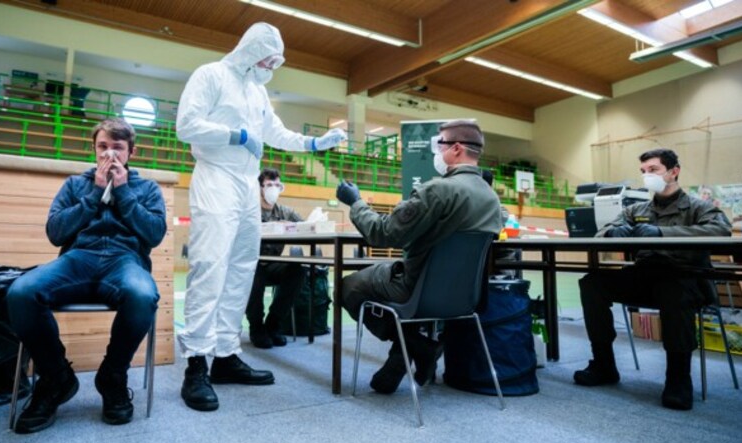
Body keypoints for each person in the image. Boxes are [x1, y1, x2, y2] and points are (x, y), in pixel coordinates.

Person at [175, 22, 347, 412]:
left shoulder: (257, 90)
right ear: (251, 51)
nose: (272, 66)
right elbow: (186, 124)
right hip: (216, 176)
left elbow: (276, 132)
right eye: (269, 58)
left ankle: (224, 354)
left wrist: (313, 143)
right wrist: (235, 136)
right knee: (210, 267)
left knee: (241, 269)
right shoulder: (211, 75)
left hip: (244, 182)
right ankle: (196, 366)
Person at [5, 118, 166, 433]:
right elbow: (56, 232)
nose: (110, 155)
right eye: (103, 147)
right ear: (94, 150)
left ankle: (112, 376)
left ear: (131, 152)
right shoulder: (74, 184)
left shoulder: (147, 188)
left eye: (117, 148)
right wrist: (94, 193)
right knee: (21, 292)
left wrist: (123, 193)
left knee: (143, 295)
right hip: (78, 260)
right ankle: (55, 378)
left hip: (124, 260)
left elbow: (155, 233)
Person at [336, 119, 503, 395]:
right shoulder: (491, 198)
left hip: (416, 290)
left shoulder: (438, 190)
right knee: (396, 273)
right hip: (463, 299)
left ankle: (415, 344)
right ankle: (408, 351)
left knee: (348, 286)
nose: (437, 151)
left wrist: (356, 202)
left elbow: (383, 233)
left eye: (440, 144)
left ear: (457, 148)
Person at [573, 149, 731, 411]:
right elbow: (601, 232)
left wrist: (662, 232)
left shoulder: (697, 207)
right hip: (645, 276)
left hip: (685, 278)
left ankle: (678, 379)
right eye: (644, 171)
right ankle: (604, 364)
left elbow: (721, 230)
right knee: (592, 283)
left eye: (654, 170)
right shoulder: (638, 209)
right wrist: (614, 232)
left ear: (673, 171)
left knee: (673, 289)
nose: (648, 176)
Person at [245, 168, 305, 348]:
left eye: (277, 185)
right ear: (260, 187)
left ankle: (273, 323)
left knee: (297, 270)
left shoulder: (285, 212)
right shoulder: (249, 210)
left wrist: (292, 226)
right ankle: (256, 327)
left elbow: (305, 226)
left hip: (272, 265)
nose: (273, 188)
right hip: (250, 264)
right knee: (254, 273)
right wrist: (273, 226)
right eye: (269, 185)